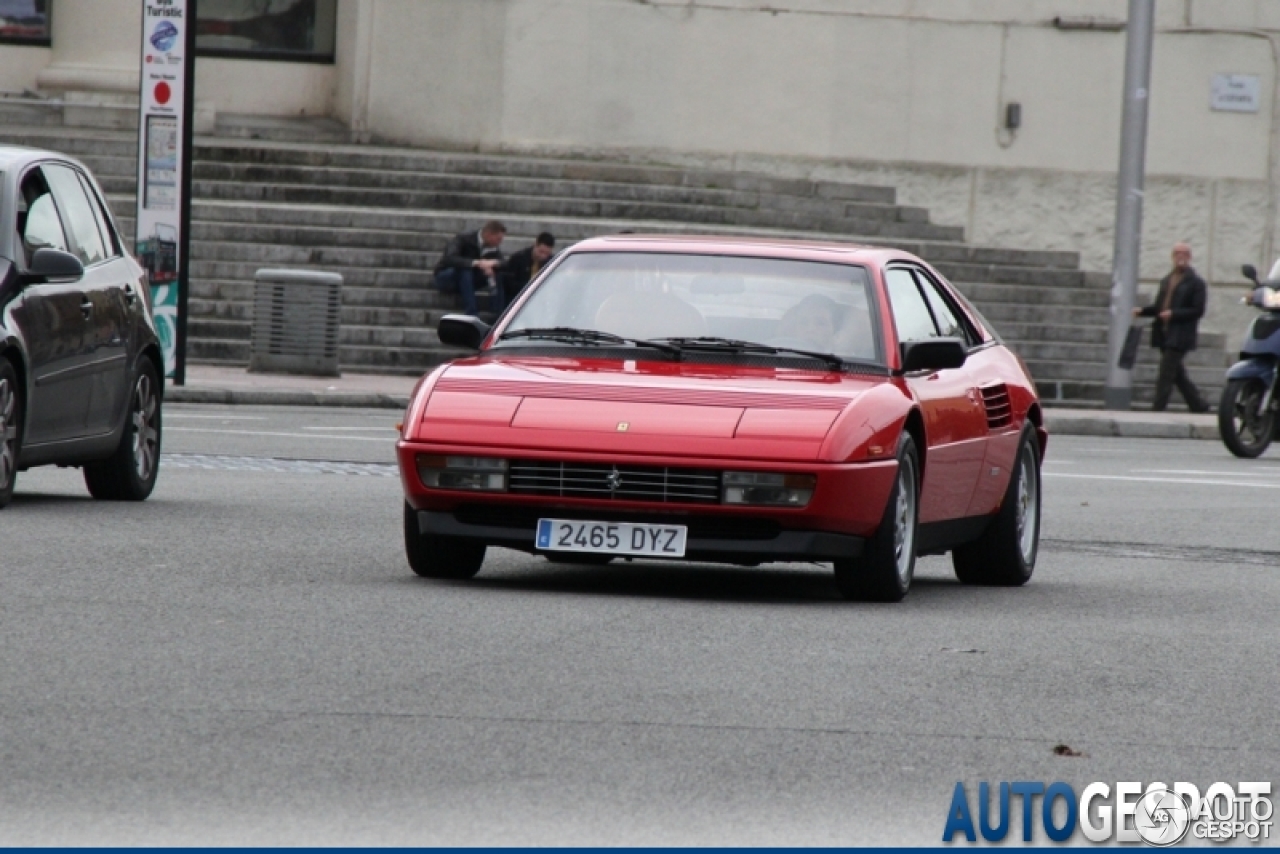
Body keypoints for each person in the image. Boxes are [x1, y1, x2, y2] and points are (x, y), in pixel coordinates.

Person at [1133, 242, 1210, 412]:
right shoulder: (1167, 280)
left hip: (1181, 334)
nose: (1180, 257)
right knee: (1178, 374)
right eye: (1177, 253)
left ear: (1189, 257)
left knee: (1166, 373)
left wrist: (1174, 314)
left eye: (1184, 253)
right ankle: (1199, 406)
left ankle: (1158, 408)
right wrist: (1143, 311)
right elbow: (1160, 307)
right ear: (1173, 257)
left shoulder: (1196, 283)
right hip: (1164, 333)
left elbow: (1198, 310)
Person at [433, 220, 506, 317]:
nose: (499, 243)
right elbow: (449, 258)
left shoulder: (492, 247)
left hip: (469, 281)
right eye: (498, 239)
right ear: (489, 235)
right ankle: (472, 313)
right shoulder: (463, 238)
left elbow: (505, 263)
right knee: (465, 270)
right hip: (447, 277)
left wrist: (493, 263)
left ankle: (497, 313)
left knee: (496, 272)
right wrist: (476, 263)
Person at [501, 232, 555, 308]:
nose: (543, 256)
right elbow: (509, 284)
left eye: (547, 253)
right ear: (535, 245)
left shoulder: (551, 262)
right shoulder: (518, 258)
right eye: (541, 252)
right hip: (518, 298)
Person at [773, 294, 839, 351]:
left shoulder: (845, 361)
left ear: (834, 331)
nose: (810, 329)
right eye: (803, 323)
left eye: (820, 323)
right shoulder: (777, 356)